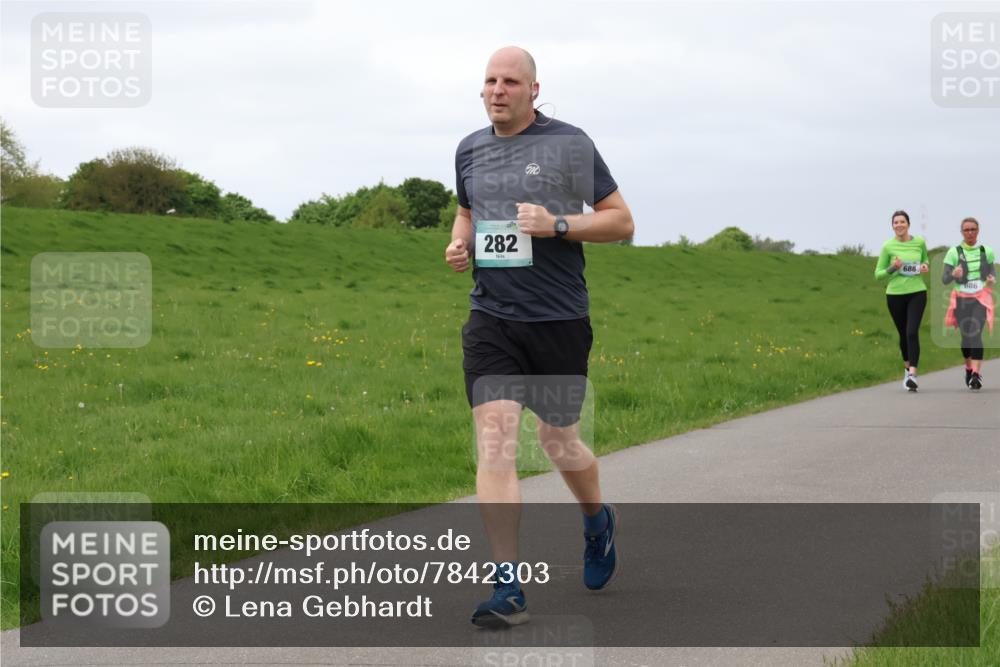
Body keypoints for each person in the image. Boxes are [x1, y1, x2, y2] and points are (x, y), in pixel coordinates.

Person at [444, 46, 634, 628]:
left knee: (558, 441)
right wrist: (459, 242)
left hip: (557, 320)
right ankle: (508, 587)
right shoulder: (469, 149)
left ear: (533, 89)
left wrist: (556, 224)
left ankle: (597, 522)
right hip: (492, 319)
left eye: (509, 81)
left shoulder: (569, 144)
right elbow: (467, 212)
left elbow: (620, 221)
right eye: (489, 81)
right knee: (496, 438)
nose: (497, 89)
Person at [874, 210, 929, 391]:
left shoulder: (919, 242)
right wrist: (893, 267)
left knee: (912, 332)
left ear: (908, 224)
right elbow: (878, 275)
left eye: (902, 222)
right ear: (892, 226)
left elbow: (925, 260)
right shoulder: (887, 247)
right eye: (895, 222)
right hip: (895, 295)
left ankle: (913, 374)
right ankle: (907, 368)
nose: (899, 225)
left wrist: (924, 266)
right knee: (903, 333)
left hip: (917, 292)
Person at [942, 217, 996, 390]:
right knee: (966, 337)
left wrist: (991, 278)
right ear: (962, 232)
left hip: (981, 298)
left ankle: (976, 374)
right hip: (961, 298)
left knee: (975, 334)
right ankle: (968, 367)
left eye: (973, 229)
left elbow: (992, 272)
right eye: (967, 230)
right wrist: (954, 275)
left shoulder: (986, 251)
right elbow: (944, 279)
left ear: (978, 231)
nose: (970, 233)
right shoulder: (953, 252)